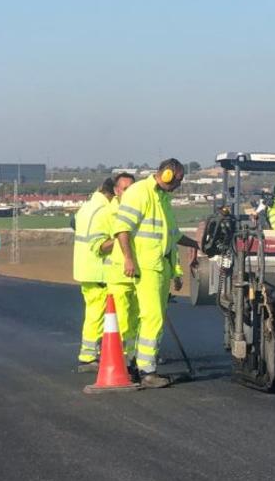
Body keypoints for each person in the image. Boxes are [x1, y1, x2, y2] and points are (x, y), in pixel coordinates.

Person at [109, 158, 199, 388]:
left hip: (157, 267)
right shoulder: (140, 193)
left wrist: (197, 244)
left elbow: (173, 235)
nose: (179, 185)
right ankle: (147, 371)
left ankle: (134, 365)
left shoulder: (162, 199)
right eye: (178, 179)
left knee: (145, 318)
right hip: (146, 266)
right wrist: (129, 258)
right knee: (152, 318)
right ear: (167, 175)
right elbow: (122, 228)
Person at [72, 172, 134, 371]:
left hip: (85, 268)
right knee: (99, 315)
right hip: (98, 269)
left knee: (93, 314)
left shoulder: (87, 207)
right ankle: (91, 357)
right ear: (112, 193)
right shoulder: (104, 209)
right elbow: (98, 244)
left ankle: (89, 354)